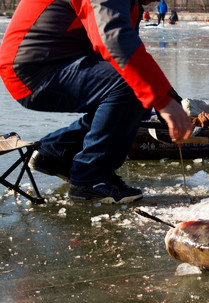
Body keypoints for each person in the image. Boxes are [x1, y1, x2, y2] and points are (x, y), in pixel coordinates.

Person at [0, 0, 193, 204]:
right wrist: (162, 100)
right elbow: (114, 39)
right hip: (35, 69)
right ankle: (91, 176)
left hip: (51, 62)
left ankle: (56, 152)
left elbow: (127, 55)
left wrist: (169, 98)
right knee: (133, 86)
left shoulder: (132, 3)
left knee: (135, 95)